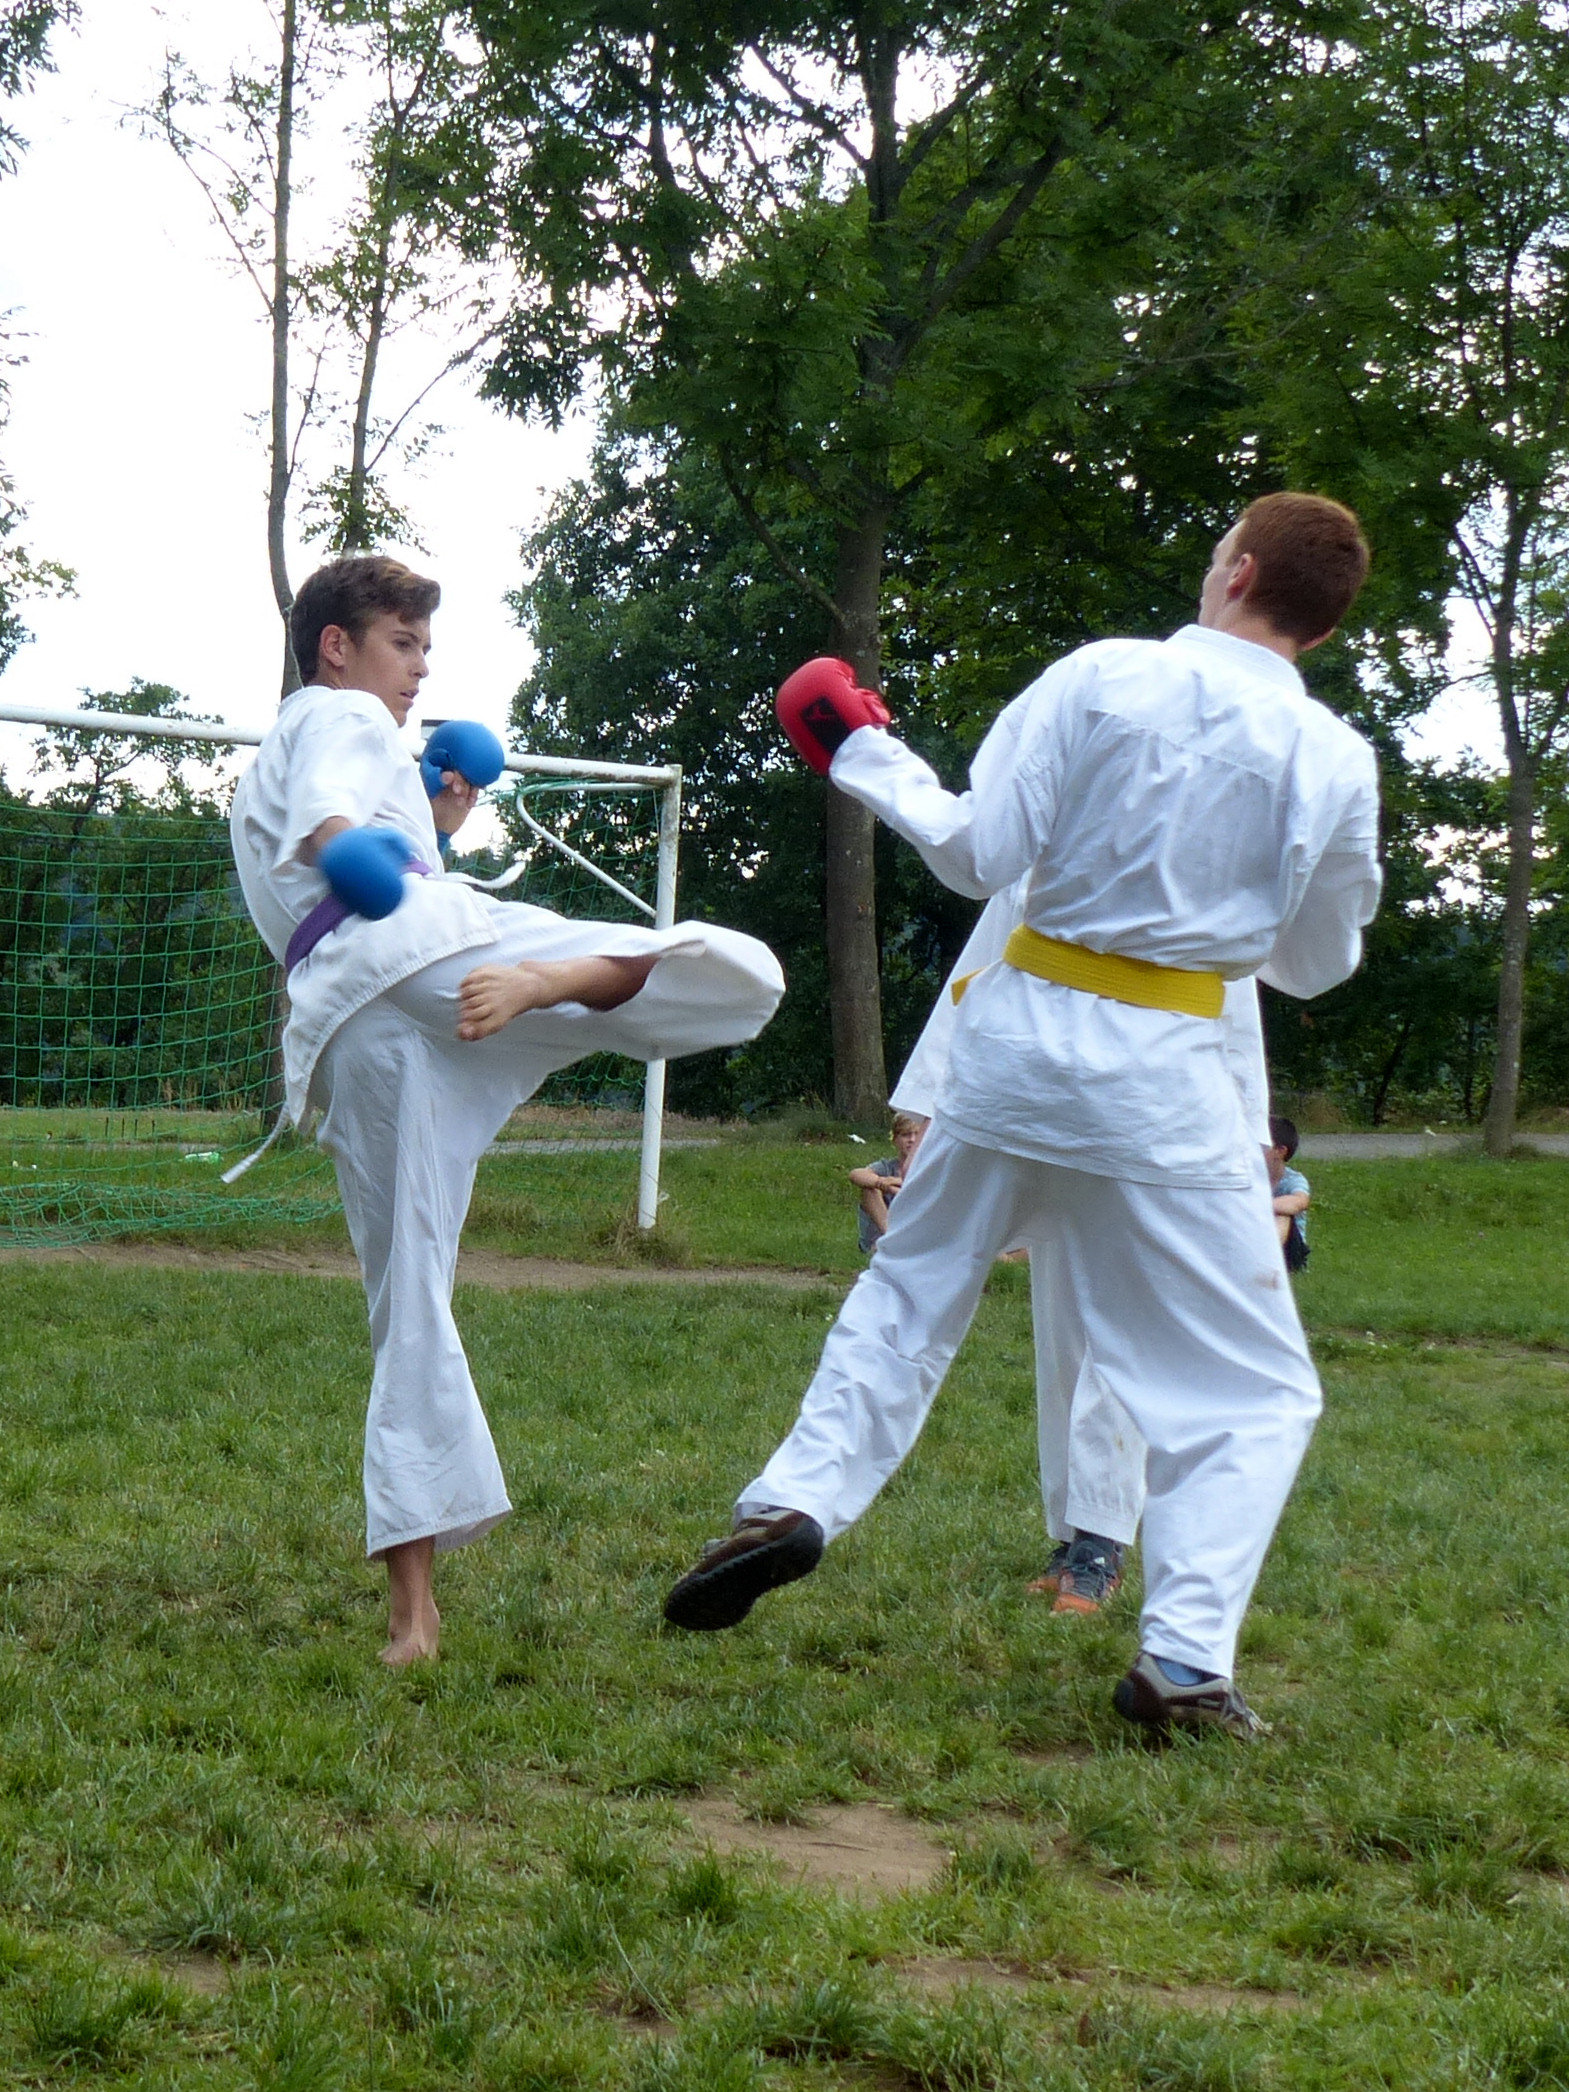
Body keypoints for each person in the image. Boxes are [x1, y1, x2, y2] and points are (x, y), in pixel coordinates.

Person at [664, 493, 1381, 1741]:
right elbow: (1315, 966)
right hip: (1168, 1081)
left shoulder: (1102, 676)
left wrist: (860, 751)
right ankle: (1184, 1660)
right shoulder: (1333, 758)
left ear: (1238, 572)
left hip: (1015, 1046)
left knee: (911, 1288)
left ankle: (791, 1503)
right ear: (1318, 628)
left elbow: (977, 852)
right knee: (1254, 1389)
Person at [230, 555, 783, 1666]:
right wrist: (353, 851)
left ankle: (414, 1615)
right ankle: (551, 981)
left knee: (408, 1299)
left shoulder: (283, 763)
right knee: (727, 972)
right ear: (336, 645)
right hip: (419, 954)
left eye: (425, 649)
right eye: (403, 643)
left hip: (355, 1022)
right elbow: (333, 826)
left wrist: (434, 816)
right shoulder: (336, 714)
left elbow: (353, 835)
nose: (419, 670)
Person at [889, 882, 1276, 1618]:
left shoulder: (1209, 869)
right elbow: (981, 973)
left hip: (1159, 1127)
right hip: (1047, 1116)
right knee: (1063, 1339)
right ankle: (1070, 1535)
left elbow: (1233, 999)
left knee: (1122, 1335)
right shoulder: (1041, 861)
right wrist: (931, 1111)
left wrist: (1249, 1129)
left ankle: (1102, 1542)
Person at [850, 1112, 927, 1255]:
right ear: (895, 1139)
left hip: (915, 1234)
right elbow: (856, 1174)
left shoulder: (928, 1168)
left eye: (916, 1134)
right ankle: (890, 1239)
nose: (912, 1140)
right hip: (880, 1237)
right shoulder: (886, 1167)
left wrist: (898, 1182)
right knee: (869, 1189)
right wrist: (883, 1183)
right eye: (905, 1135)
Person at [1267, 1115, 1311, 1272]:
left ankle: (1267, 1261)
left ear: (1280, 1151)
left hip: (1290, 1251)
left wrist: (1256, 1206)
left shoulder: (1293, 1180)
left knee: (1283, 1215)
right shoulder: (1248, 1177)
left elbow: (1300, 1201)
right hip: (1254, 1235)